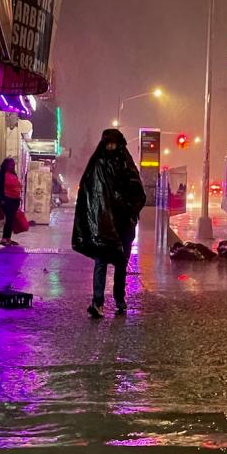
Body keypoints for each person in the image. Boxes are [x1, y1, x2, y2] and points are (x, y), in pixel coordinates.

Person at [71, 129, 146, 318]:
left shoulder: (125, 164)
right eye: (108, 144)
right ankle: (97, 302)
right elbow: (89, 193)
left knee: (121, 264)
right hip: (103, 224)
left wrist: (129, 210)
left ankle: (119, 299)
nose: (110, 147)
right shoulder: (98, 164)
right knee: (101, 262)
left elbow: (137, 191)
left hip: (122, 224)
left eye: (113, 144)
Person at [0, 158, 23, 246]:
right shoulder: (2, 174)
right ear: (6, 165)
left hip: (15, 200)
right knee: (9, 218)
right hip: (7, 200)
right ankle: (4, 239)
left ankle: (8, 238)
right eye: (11, 164)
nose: (13, 166)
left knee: (11, 220)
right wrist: (2, 199)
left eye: (14, 164)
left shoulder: (13, 174)